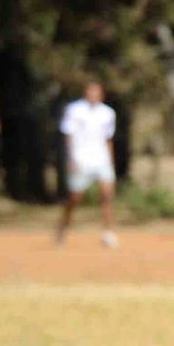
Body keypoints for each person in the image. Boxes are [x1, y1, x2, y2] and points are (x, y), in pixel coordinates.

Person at [58, 80, 118, 248]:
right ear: (85, 93)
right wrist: (70, 159)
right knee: (75, 198)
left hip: (101, 159)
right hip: (81, 159)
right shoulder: (75, 110)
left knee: (106, 195)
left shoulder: (108, 113)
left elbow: (108, 139)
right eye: (90, 91)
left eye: (96, 92)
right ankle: (63, 227)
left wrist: (111, 161)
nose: (93, 95)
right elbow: (68, 135)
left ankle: (107, 232)